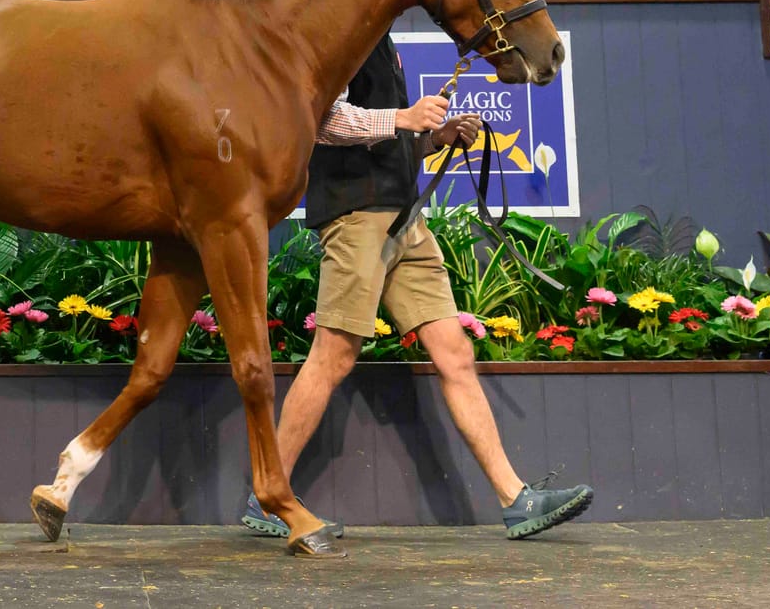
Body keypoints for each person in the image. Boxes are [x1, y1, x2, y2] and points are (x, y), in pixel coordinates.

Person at [242, 33, 593, 542]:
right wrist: (405, 118)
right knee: (332, 358)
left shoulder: (382, 42)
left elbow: (387, 140)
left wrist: (436, 137)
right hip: (356, 217)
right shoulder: (340, 37)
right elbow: (321, 123)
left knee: (454, 353)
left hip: (407, 219)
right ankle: (267, 496)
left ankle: (515, 499)